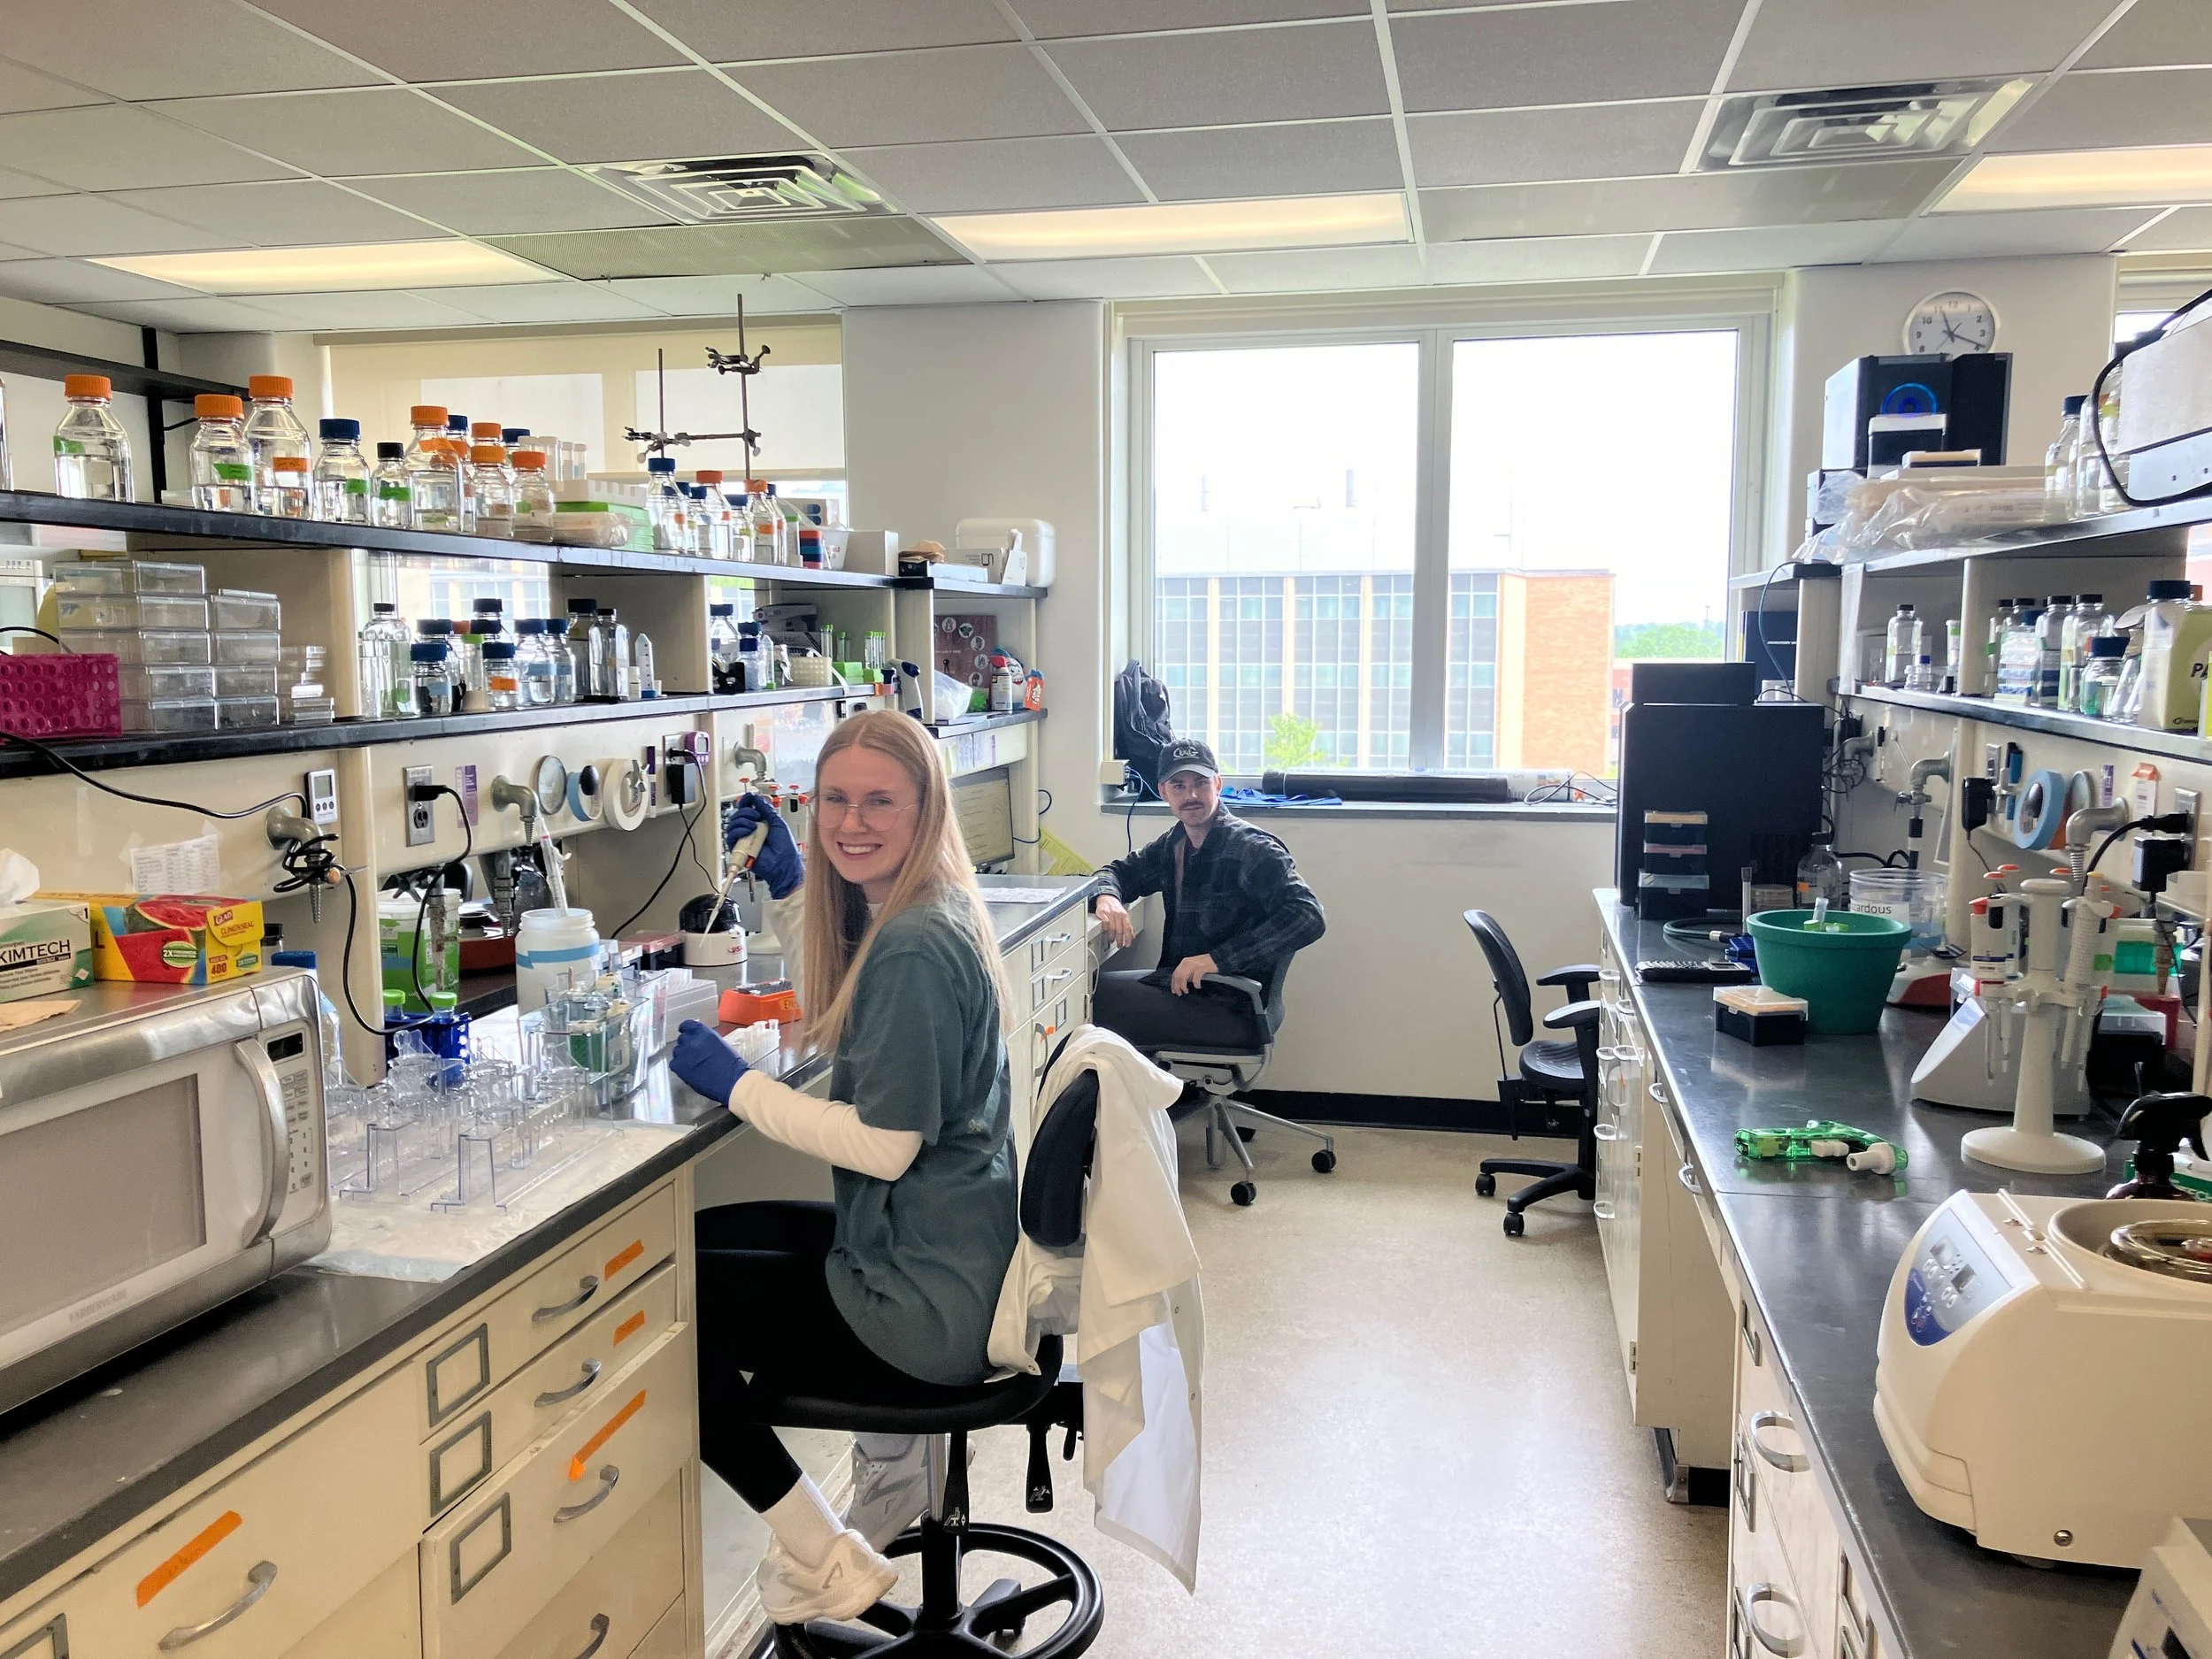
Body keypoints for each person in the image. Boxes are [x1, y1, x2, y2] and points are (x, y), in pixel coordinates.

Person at [669, 710, 1018, 1625]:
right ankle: (870, 1506)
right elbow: (848, 1002)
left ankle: (821, 1552)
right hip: (944, 1246)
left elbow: (886, 1144)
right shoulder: (918, 910)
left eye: (879, 803)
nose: (851, 822)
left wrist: (739, 1086)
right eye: (833, 800)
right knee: (686, 1248)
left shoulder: (913, 942)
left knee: (659, 1319)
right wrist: (792, 892)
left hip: (926, 1304)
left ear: (926, 809)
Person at [1091, 737, 1325, 1052]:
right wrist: (1107, 897)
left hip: (1230, 1002)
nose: (1191, 795)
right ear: (1163, 792)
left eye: (1200, 783)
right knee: (1090, 992)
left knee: (1086, 1002)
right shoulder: (1175, 844)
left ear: (1217, 783)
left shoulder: (1251, 848)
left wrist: (1216, 960)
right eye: (1178, 786)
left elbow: (1308, 916)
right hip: (1185, 989)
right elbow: (1116, 872)